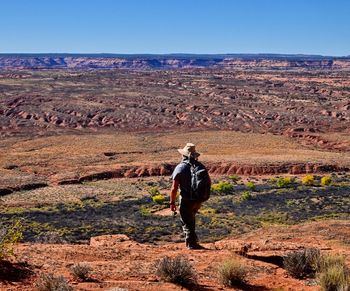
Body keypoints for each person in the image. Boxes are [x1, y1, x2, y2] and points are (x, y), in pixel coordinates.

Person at [170, 143, 211, 249]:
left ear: (183, 155)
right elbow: (208, 182)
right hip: (198, 199)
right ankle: (193, 241)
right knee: (191, 219)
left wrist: (172, 202)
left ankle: (191, 245)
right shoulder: (200, 166)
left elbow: (174, 188)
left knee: (186, 221)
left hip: (186, 200)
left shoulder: (180, 167)